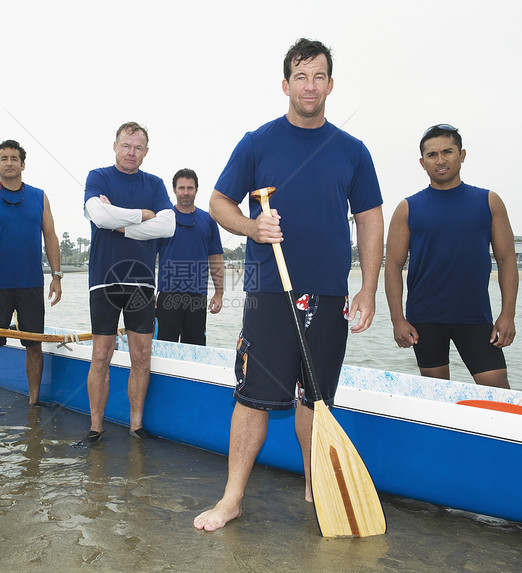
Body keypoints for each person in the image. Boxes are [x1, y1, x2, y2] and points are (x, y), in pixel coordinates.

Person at [194, 38, 384, 532]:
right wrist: (252, 228)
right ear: (286, 84)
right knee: (254, 396)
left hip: (328, 293)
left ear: (331, 85)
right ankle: (232, 497)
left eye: (319, 76)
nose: (310, 85)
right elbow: (219, 203)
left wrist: (367, 288)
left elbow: (369, 220)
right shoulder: (258, 142)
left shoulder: (352, 151)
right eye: (301, 76)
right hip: (269, 289)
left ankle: (313, 487)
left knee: (316, 399)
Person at [384, 124, 518, 388]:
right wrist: (398, 319)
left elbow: (506, 260)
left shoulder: (489, 201)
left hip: (474, 314)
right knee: (436, 393)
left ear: (462, 155)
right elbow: (393, 267)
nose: (441, 160)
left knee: (497, 387)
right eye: (432, 155)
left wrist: (508, 314)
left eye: (448, 151)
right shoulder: (407, 208)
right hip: (425, 317)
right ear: (422, 163)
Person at [80, 121, 175, 444]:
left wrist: (121, 224)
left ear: (146, 152)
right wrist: (143, 215)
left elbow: (168, 226)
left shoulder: (156, 183)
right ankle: (96, 426)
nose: (131, 152)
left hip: (142, 283)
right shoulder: (98, 177)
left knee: (142, 355)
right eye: (126, 145)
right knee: (101, 355)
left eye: (138, 147)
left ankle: (136, 426)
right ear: (115, 145)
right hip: (104, 281)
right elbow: (100, 217)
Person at [0, 140, 63, 410]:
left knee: (34, 346)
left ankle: (34, 401)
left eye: (14, 158)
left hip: (30, 284)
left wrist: (56, 275)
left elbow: (51, 237)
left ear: (23, 164)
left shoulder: (39, 196)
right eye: (4, 158)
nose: (9, 162)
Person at [155, 168, 224, 345]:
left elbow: (215, 258)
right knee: (165, 347)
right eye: (181, 188)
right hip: (168, 295)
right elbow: (148, 255)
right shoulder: (163, 218)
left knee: (196, 348)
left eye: (190, 188)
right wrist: (149, 292)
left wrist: (219, 293)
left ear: (196, 190)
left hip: (197, 296)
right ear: (174, 190)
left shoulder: (208, 220)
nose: (186, 192)